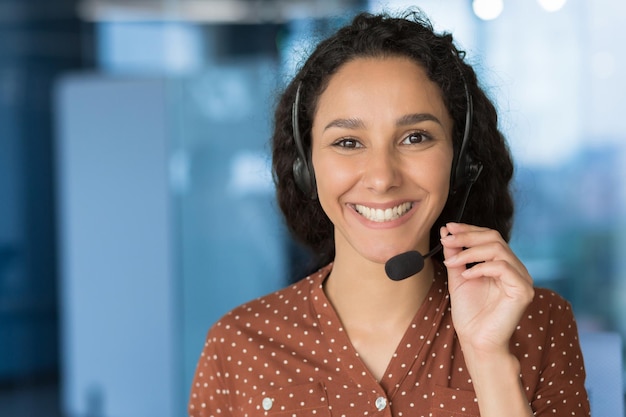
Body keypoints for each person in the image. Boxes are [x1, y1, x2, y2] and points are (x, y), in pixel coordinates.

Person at [188, 10, 590, 417]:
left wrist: (490, 360)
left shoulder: (536, 322)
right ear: (305, 168)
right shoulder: (238, 346)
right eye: (348, 142)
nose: (382, 177)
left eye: (415, 137)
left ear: (461, 161)